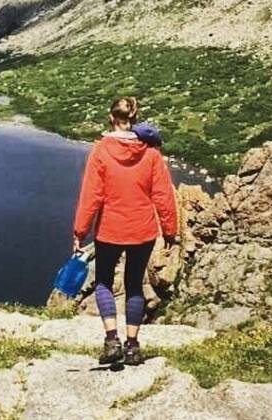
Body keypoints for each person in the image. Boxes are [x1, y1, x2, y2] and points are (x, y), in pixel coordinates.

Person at [73, 97, 179, 366]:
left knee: (104, 282)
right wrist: (170, 231)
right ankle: (132, 346)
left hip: (109, 229)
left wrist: (80, 231)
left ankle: (112, 340)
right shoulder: (152, 153)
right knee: (134, 285)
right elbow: (164, 196)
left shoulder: (100, 150)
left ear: (111, 118)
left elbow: (91, 195)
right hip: (142, 231)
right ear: (134, 119)